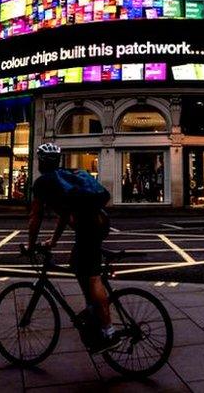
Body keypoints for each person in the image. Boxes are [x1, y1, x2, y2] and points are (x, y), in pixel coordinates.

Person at [25, 143, 118, 353]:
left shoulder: (43, 183)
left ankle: (108, 331)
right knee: (77, 264)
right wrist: (54, 241)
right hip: (98, 223)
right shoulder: (62, 178)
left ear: (41, 162)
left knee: (91, 275)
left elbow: (35, 217)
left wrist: (31, 245)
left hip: (90, 228)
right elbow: (65, 214)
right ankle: (93, 310)